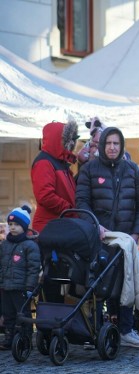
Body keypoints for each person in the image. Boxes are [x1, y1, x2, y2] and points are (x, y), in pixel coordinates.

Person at [75, 126, 139, 348]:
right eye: (108, 143)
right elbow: (81, 202)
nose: (112, 147)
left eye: (116, 143)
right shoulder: (89, 170)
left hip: (126, 238)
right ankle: (96, 332)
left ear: (122, 145)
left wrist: (136, 233)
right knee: (98, 283)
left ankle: (126, 330)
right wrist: (95, 226)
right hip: (99, 237)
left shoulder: (133, 170)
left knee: (126, 282)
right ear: (102, 145)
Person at [0, 206, 40, 350]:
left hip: (21, 288)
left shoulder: (29, 245)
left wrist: (30, 287)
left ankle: (26, 338)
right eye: (10, 224)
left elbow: (33, 269)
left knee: (23, 314)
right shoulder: (4, 245)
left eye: (16, 225)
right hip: (6, 286)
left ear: (24, 226)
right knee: (8, 315)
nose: (13, 227)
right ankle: (9, 339)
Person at [31, 119, 79, 234]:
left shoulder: (59, 162)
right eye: (65, 139)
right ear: (56, 138)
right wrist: (70, 209)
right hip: (50, 226)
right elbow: (45, 196)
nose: (70, 143)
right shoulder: (44, 162)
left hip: (60, 223)